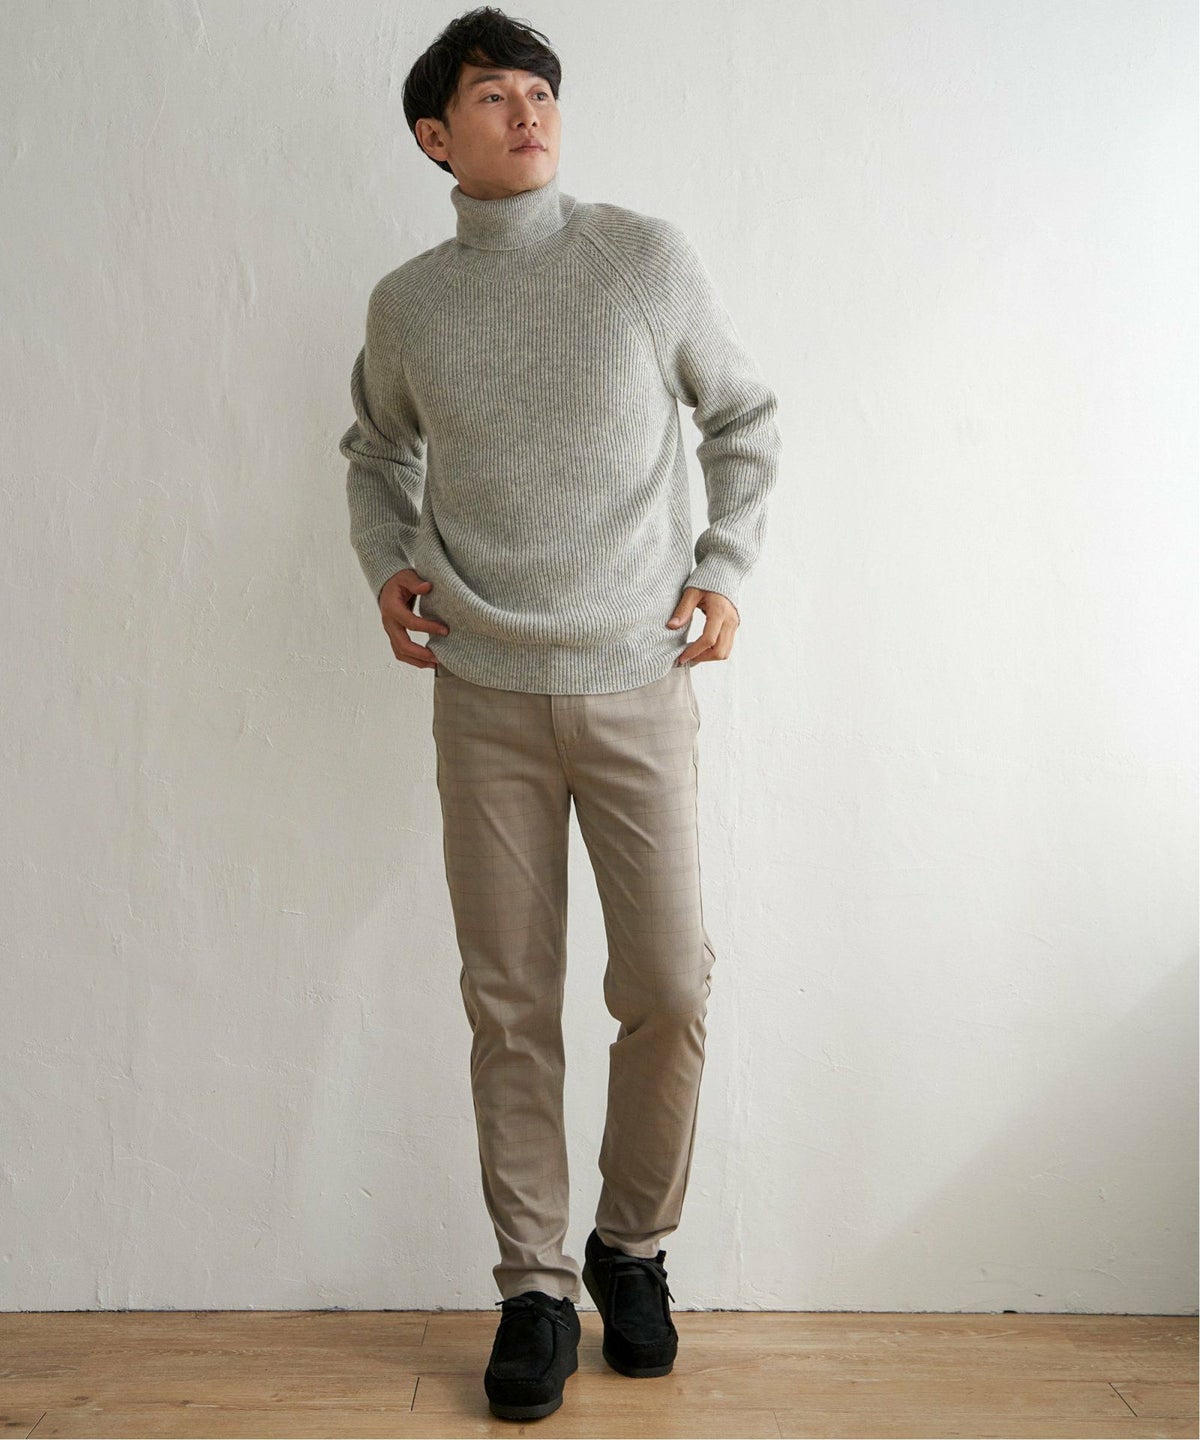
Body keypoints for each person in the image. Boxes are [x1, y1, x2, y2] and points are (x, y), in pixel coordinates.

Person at [339, 5, 781, 1422]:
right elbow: (375, 451)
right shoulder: (411, 305)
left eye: (541, 90)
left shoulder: (640, 260)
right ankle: (533, 1286)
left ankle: (630, 1248)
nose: (529, 111)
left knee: (668, 987)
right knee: (510, 1003)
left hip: (638, 679)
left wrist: (722, 567)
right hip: (481, 696)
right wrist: (389, 563)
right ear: (435, 136)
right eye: (493, 95)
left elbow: (743, 418)